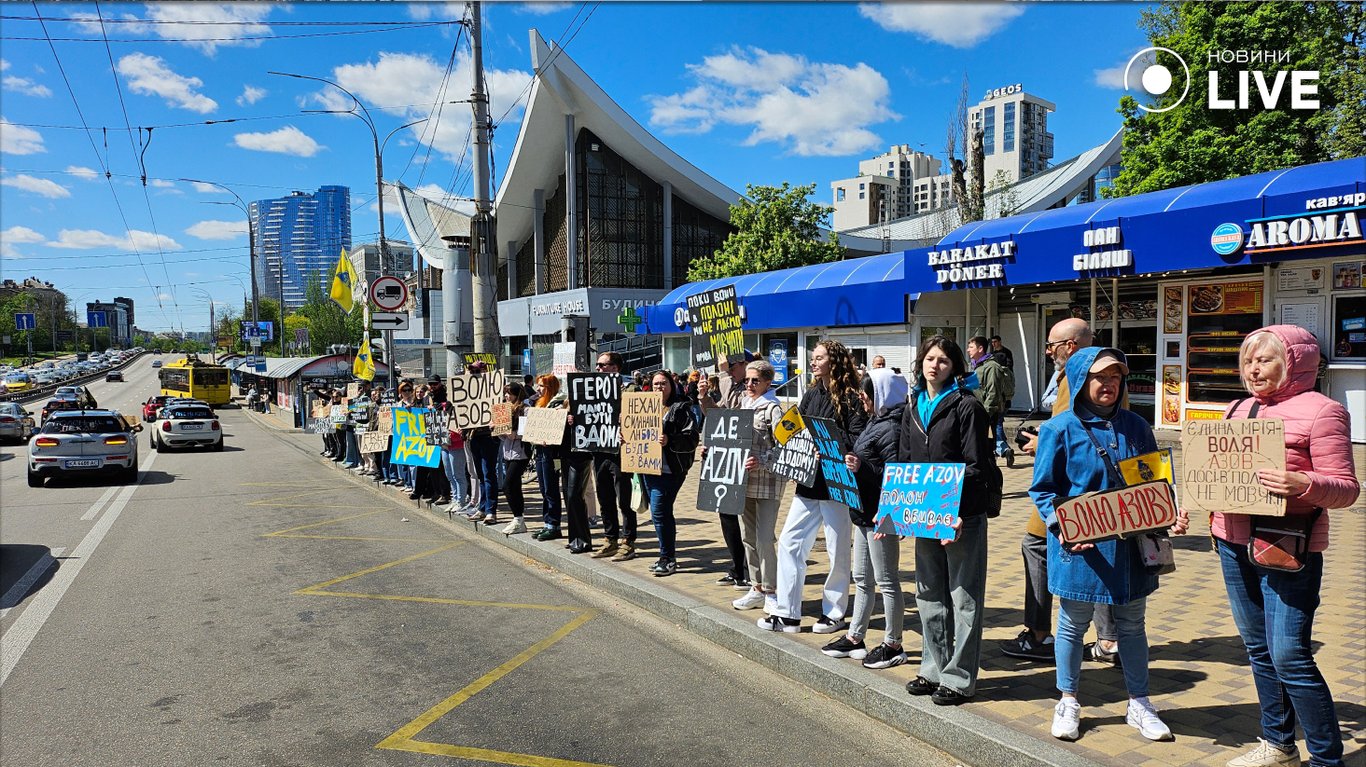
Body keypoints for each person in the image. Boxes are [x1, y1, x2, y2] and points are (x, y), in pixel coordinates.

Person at [1212, 326, 1359, 767]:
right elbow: (1216, 477)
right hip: (1230, 543)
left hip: (1287, 546)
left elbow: (1347, 489)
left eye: (1266, 360)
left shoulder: (1324, 412)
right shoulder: (1235, 409)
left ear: (1295, 362)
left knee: (1290, 655)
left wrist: (1306, 483)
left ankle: (1326, 759)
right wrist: (1196, 507)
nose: (1254, 369)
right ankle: (1278, 744)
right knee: (1258, 649)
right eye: (1249, 361)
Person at [1030, 346, 1188, 742]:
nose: (1109, 385)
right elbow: (1044, 491)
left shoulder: (1137, 426)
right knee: (1071, 626)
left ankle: (1140, 703)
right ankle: (1067, 699)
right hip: (1082, 549)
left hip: (1132, 549)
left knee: (1133, 627)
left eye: (1116, 377)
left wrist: (1169, 511)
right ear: (1082, 380)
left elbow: (1153, 482)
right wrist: (1060, 524)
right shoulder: (1058, 429)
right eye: (1101, 377)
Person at [1005, 319, 1122, 668]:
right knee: (1100, 547)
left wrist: (1044, 444)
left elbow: (1082, 428)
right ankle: (1109, 640)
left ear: (1070, 346)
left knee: (1036, 545)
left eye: (1052, 345)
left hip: (1071, 485)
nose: (1047, 351)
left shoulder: (1078, 374)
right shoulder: (1106, 372)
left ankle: (1040, 634)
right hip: (1094, 485)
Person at [898, 336, 1001, 706]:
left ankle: (959, 677)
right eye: (929, 358)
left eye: (943, 360)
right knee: (928, 594)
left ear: (956, 366)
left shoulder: (966, 406)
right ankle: (932, 668)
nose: (934, 365)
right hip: (924, 514)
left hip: (961, 516)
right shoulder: (913, 403)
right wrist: (894, 509)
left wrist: (956, 513)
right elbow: (904, 461)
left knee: (964, 598)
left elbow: (976, 467)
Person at [760, 339, 867, 634]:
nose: (813, 362)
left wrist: (831, 446)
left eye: (818, 357)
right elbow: (797, 428)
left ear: (833, 361)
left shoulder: (851, 398)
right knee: (790, 543)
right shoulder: (810, 393)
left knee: (837, 550)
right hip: (808, 481)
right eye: (813, 358)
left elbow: (858, 436)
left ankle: (834, 613)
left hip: (835, 483)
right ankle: (788, 613)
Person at [824, 381, 907, 670]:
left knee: (887, 580)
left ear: (880, 395)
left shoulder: (893, 427)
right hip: (863, 511)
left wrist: (862, 467)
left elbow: (898, 475)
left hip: (879, 515)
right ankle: (855, 636)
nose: (862, 398)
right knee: (862, 578)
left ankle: (894, 643)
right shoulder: (876, 421)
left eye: (867, 393)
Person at [732, 360, 787, 611]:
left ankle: (772, 591)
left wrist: (762, 461)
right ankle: (756, 587)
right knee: (748, 537)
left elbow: (786, 447)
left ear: (767, 382)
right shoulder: (743, 404)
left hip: (768, 482)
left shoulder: (773, 409)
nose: (750, 385)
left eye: (755, 380)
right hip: (744, 481)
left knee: (765, 538)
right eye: (747, 380)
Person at [699, 351, 756, 589]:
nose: (729, 369)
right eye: (727, 366)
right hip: (726, 460)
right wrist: (703, 397)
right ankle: (737, 567)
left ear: (746, 365)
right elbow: (717, 413)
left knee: (749, 521)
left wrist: (723, 374)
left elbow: (736, 408)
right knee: (726, 513)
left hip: (747, 461)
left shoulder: (751, 390)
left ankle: (751, 571)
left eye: (733, 365)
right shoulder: (731, 387)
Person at [640, 369, 699, 576]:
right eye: (656, 384)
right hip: (647, 466)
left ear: (672, 385)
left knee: (659, 510)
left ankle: (668, 558)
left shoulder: (680, 408)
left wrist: (669, 440)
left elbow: (692, 438)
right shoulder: (643, 407)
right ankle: (665, 555)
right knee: (659, 514)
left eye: (663, 383)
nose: (659, 387)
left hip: (670, 469)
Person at [587, 352, 638, 561]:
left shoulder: (629, 390)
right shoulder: (593, 392)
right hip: (600, 451)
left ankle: (628, 541)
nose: (598, 369)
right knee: (604, 497)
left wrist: (623, 426)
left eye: (602, 365)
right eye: (597, 365)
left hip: (620, 452)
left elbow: (639, 419)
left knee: (624, 499)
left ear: (615, 368)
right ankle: (610, 539)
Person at [967, 336, 1014, 467]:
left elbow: (993, 393)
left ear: (980, 349)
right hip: (978, 413)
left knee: (988, 449)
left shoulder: (992, 367)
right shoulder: (977, 366)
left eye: (971, 347)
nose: (968, 350)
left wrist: (985, 414)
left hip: (988, 415)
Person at [530, 374, 567, 540]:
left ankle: (554, 525)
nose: (538, 389)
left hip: (551, 453)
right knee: (544, 489)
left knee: (551, 490)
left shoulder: (558, 403)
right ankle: (547, 523)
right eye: (538, 385)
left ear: (550, 388)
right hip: (540, 450)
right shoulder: (539, 402)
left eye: (542, 386)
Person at [463, 364, 501, 525]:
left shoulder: (495, 391)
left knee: (488, 474)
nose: (475, 374)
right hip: (474, 437)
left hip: (488, 437)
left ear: (486, 373)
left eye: (478, 371)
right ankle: (483, 507)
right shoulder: (466, 392)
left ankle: (491, 510)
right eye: (472, 371)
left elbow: (501, 412)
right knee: (480, 475)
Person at [498, 382, 532, 535]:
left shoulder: (525, 409)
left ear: (517, 394)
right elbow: (502, 436)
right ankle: (518, 519)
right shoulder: (504, 409)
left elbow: (527, 432)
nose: (506, 396)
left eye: (509, 393)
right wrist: (498, 429)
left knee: (508, 485)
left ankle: (518, 517)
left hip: (521, 453)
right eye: (505, 393)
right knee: (515, 486)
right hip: (508, 452)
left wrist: (514, 435)